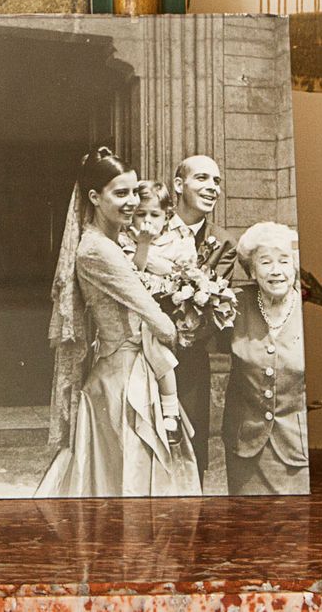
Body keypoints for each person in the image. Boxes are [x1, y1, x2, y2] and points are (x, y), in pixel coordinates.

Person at [37, 147, 202, 498]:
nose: (131, 202)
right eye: (120, 193)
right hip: (123, 376)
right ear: (95, 197)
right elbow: (157, 321)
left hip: (130, 367)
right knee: (128, 471)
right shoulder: (97, 249)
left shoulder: (111, 242)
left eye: (134, 192)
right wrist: (177, 325)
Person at [152, 155, 236, 471]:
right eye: (202, 178)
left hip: (188, 361)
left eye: (217, 181)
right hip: (141, 356)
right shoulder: (152, 224)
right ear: (178, 184)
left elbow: (213, 309)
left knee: (189, 456)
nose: (213, 187)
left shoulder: (223, 243)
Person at [221, 220, 309, 495]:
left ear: (295, 265)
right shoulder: (234, 305)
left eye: (283, 260)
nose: (276, 271)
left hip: (297, 447)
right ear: (252, 270)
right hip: (245, 447)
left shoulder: (309, 310)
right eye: (265, 262)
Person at [122, 181, 186, 443]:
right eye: (141, 214)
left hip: (169, 310)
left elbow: (182, 273)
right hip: (137, 313)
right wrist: (144, 245)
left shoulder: (177, 242)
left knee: (157, 348)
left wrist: (155, 262)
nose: (147, 220)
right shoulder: (126, 240)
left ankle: (171, 412)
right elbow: (133, 273)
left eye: (154, 214)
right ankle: (168, 412)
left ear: (167, 216)